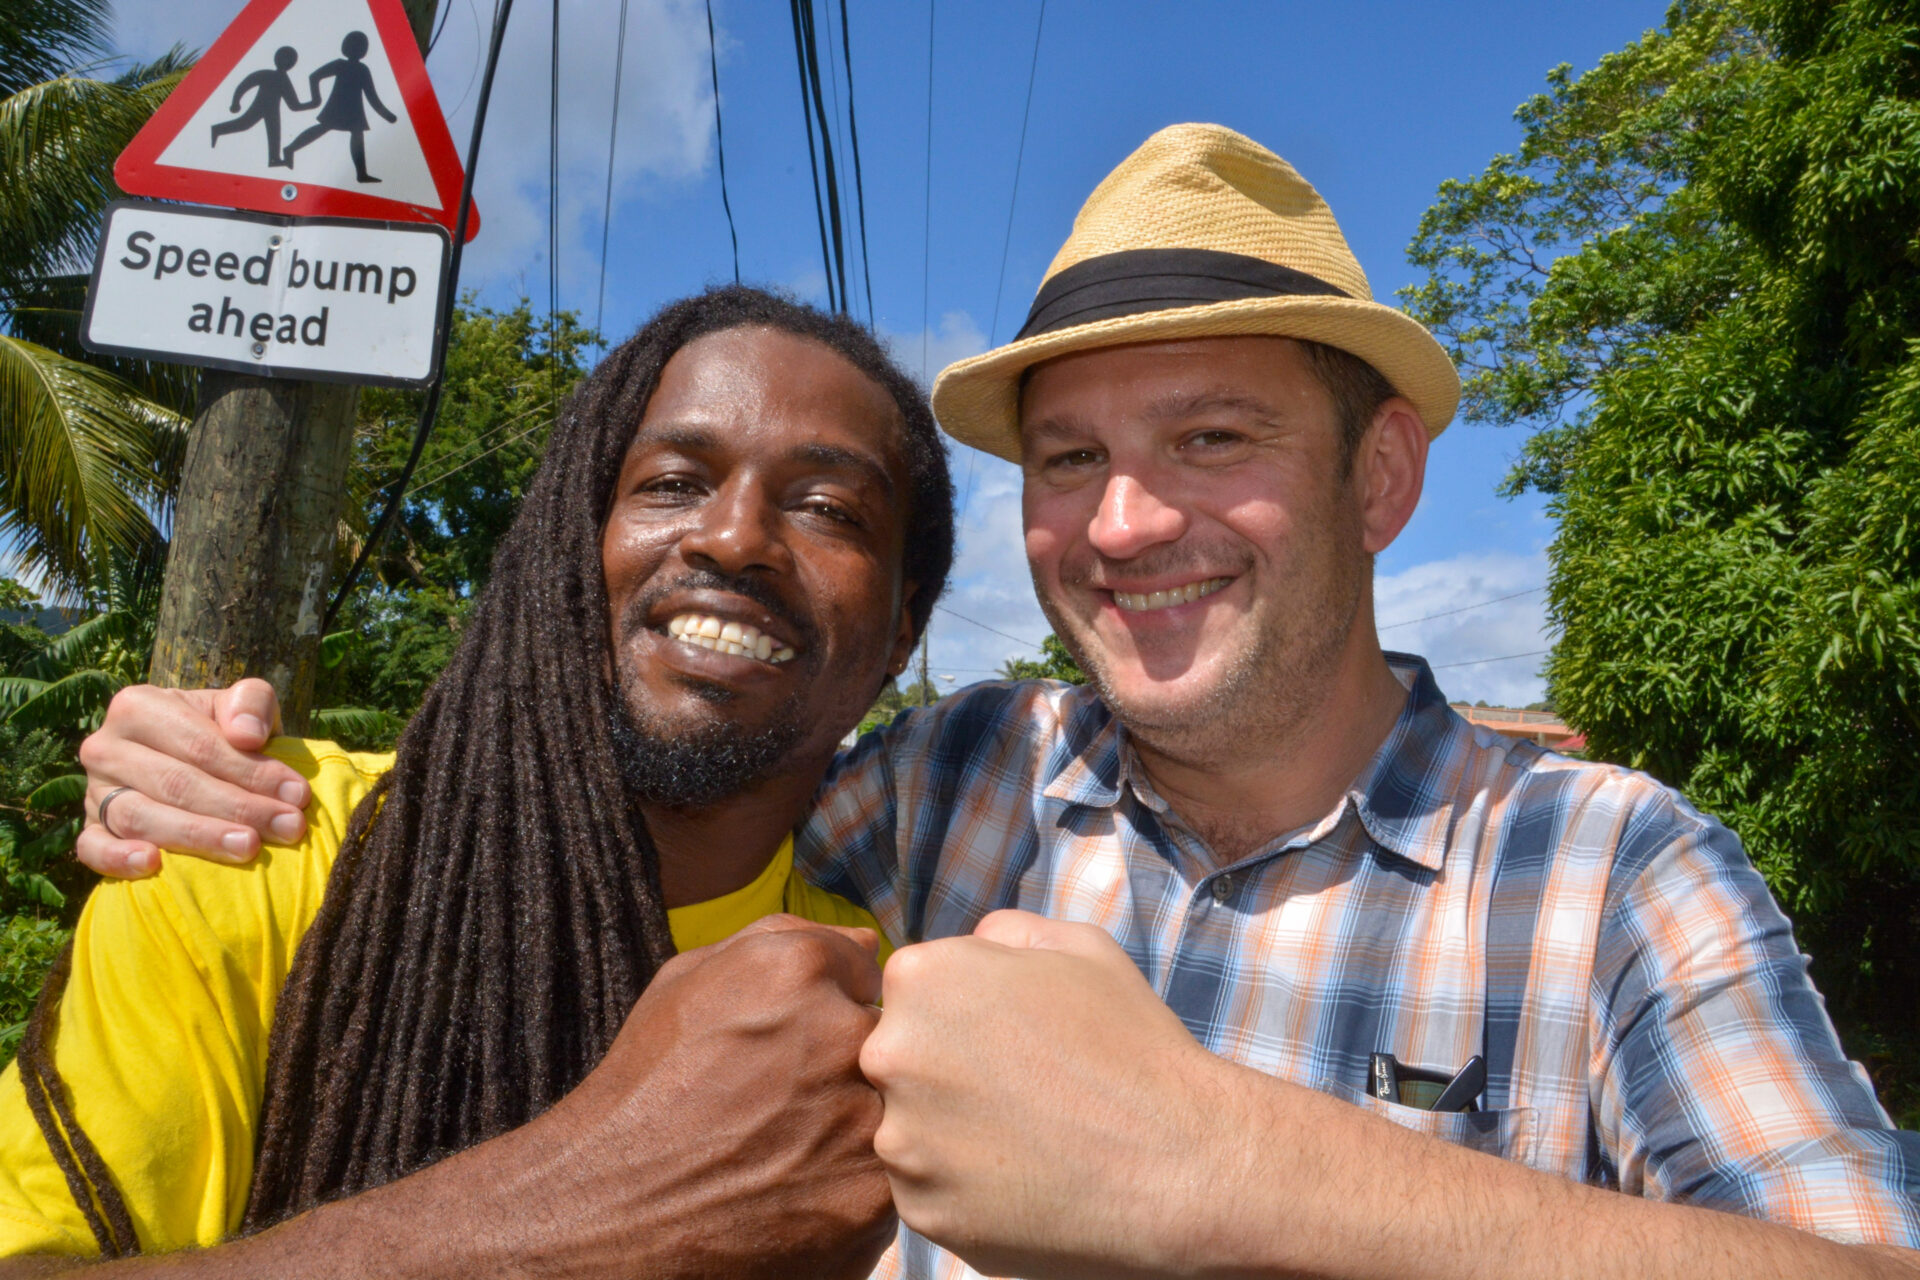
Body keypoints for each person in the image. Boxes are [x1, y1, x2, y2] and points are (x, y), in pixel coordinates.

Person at [71, 126, 1920, 1279]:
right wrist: (255, 771)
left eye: (1214, 440)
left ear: (1380, 483)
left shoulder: (1615, 876)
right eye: (1071, 459)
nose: (1124, 525)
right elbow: (643, 785)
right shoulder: (958, 785)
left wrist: (1233, 1170)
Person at [0, 286, 954, 1277]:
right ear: (572, 536)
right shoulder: (256, 838)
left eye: (828, 507)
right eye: (672, 481)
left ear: (900, 633)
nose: (733, 534)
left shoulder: (871, 1017)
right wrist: (590, 1205)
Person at [282, 31, 395, 184]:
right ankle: (290, 149)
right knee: (325, 129)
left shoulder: (362, 69)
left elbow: (372, 96)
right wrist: (316, 98)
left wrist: (387, 115)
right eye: (360, 46)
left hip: (353, 110)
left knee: (354, 134)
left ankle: (361, 174)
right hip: (339, 106)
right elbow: (314, 76)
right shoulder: (340, 65)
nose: (362, 50)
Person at [208, 46, 308, 169]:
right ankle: (216, 130)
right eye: (284, 59)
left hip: (272, 111)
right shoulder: (267, 74)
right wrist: (235, 102)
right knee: (244, 124)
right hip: (260, 107)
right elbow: (245, 84)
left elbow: (294, 105)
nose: (287, 63)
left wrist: (313, 103)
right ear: (277, 58)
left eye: (290, 60)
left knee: (274, 132)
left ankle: (274, 158)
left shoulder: (284, 79)